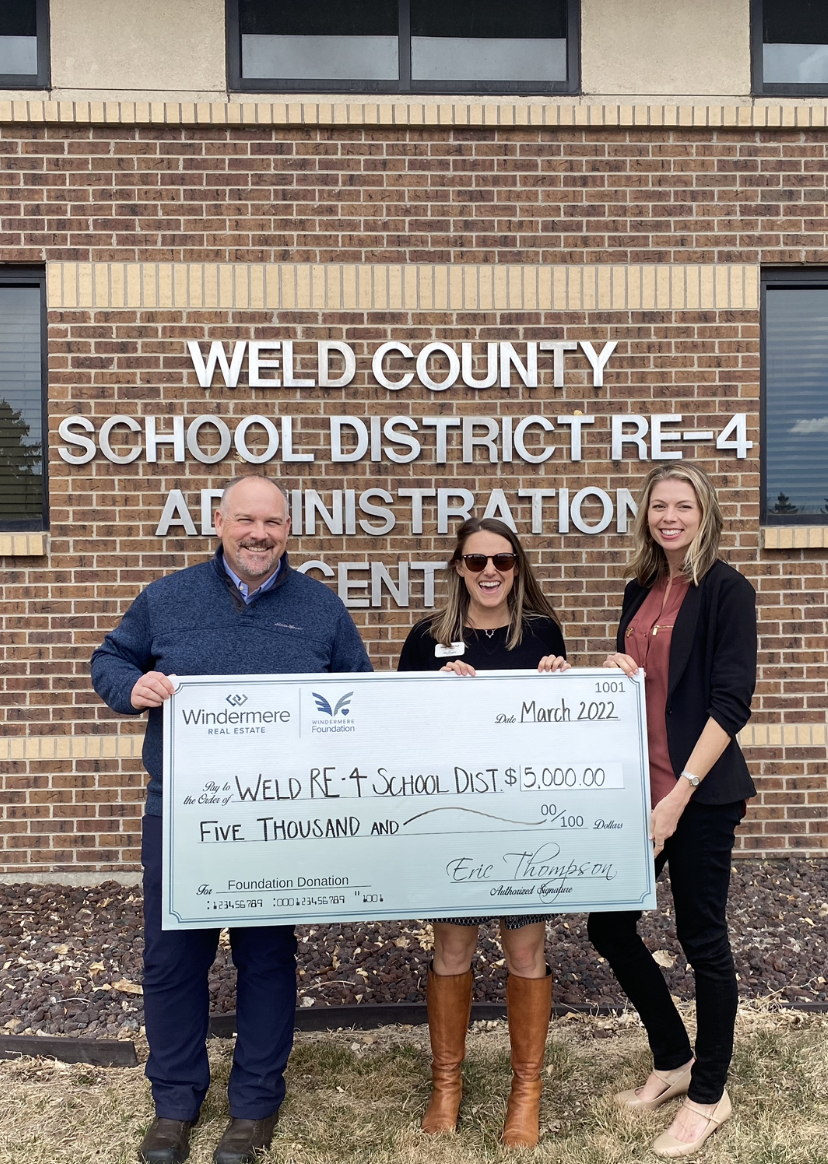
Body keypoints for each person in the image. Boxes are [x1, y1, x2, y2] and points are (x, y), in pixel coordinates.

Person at [91, 475, 371, 1164]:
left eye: (272, 523)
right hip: (181, 816)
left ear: (288, 529)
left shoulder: (319, 608)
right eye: (246, 520)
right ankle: (175, 1104)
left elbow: (360, 696)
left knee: (267, 959)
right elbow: (110, 659)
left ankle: (253, 1106)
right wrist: (131, 687)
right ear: (219, 522)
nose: (259, 534)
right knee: (172, 960)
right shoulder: (166, 599)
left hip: (280, 821)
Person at [588, 463, 756, 1159]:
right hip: (641, 790)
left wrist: (679, 795)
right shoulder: (641, 588)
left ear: (704, 512)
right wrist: (611, 665)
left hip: (699, 795)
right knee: (609, 927)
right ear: (646, 515)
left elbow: (730, 703)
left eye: (683, 506)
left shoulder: (726, 589)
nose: (671, 517)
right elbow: (641, 683)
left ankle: (708, 1095)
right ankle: (673, 1057)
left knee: (702, 939)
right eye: (660, 506)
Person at [397, 517, 569, 1149]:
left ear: (517, 568)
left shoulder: (543, 635)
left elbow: (564, 732)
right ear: (458, 570)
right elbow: (400, 735)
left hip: (522, 820)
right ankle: (448, 1084)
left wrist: (560, 682)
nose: (490, 572)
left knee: (525, 954)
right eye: (476, 562)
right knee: (453, 952)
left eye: (502, 560)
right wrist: (434, 697)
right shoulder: (427, 639)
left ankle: (526, 1092)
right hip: (451, 822)